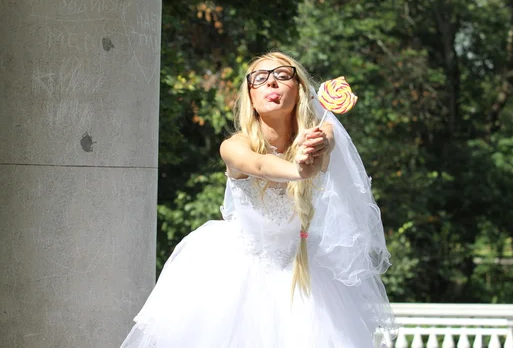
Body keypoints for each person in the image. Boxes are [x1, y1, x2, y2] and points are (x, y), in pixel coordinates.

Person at [120, 52, 395, 348]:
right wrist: (298, 169)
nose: (271, 83)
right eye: (260, 79)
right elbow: (261, 165)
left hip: (306, 276)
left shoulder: (319, 133)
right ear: (250, 96)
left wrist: (323, 141)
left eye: (282, 75)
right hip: (235, 276)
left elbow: (328, 137)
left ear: (300, 89)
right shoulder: (235, 145)